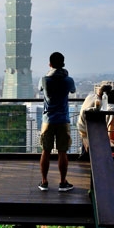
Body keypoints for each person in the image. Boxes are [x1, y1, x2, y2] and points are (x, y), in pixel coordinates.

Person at [37, 52, 76, 192]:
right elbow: (73, 90)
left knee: (45, 151)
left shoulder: (45, 79)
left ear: (50, 64)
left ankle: (44, 181)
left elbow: (39, 89)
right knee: (62, 151)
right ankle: (62, 182)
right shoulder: (68, 80)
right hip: (63, 119)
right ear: (63, 64)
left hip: (48, 120)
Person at [76, 83, 112, 160]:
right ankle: (88, 160)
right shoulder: (99, 102)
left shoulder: (91, 95)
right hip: (86, 127)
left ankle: (85, 159)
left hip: (81, 124)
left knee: (86, 145)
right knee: (91, 147)